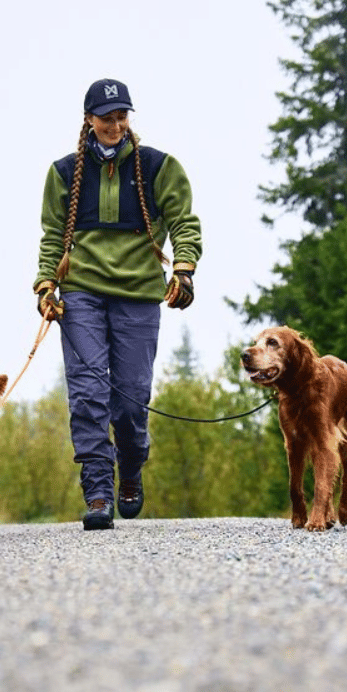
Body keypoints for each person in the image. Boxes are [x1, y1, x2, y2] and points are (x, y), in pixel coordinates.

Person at [33, 78, 202, 530]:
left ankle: (130, 468)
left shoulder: (158, 167)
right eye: (107, 117)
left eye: (122, 116)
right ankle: (98, 491)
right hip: (82, 294)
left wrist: (183, 268)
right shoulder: (64, 172)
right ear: (88, 120)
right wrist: (46, 285)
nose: (115, 124)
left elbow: (185, 221)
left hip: (140, 295)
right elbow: (53, 235)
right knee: (88, 394)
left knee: (129, 401)